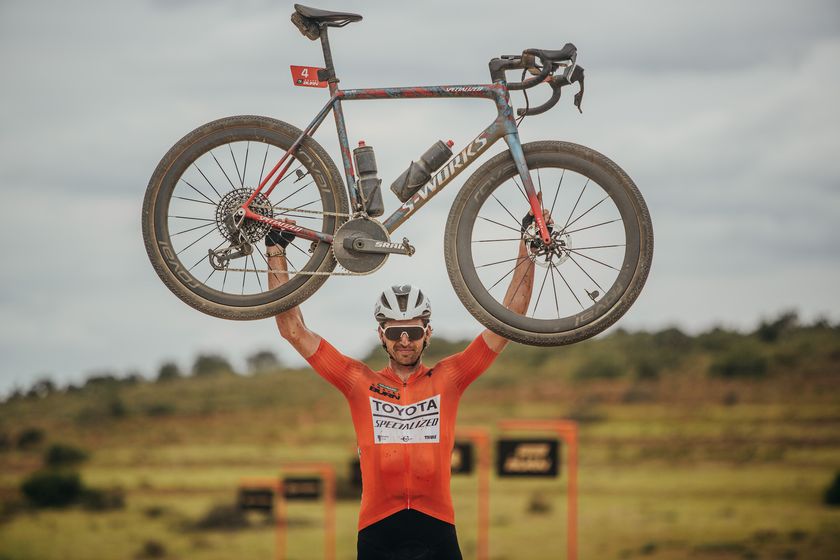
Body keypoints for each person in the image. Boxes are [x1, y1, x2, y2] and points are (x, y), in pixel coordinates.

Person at [265, 206, 548, 559]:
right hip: (377, 530)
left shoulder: (450, 378)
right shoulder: (357, 381)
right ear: (381, 335)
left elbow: (511, 318)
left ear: (426, 333)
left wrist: (528, 245)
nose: (404, 340)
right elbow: (294, 330)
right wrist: (275, 250)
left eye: (412, 331)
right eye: (395, 332)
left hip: (437, 527)